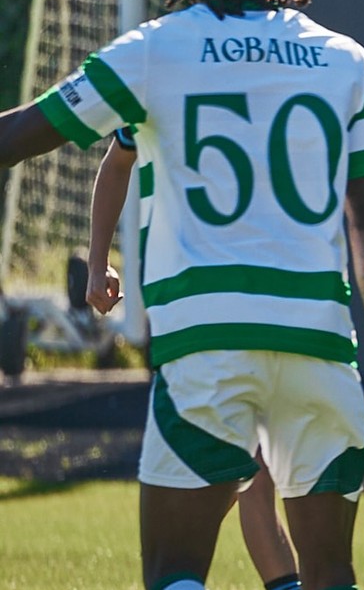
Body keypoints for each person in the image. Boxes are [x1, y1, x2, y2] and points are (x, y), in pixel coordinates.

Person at [0, 0, 364, 590]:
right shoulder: (348, 61)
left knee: (175, 570)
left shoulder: (158, 51)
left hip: (207, 345)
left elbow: (22, 135)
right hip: (319, 346)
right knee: (330, 574)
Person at [86, 129, 302, 590]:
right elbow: (118, 157)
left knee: (248, 483)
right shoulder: (169, 71)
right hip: (227, 321)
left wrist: (97, 261)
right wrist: (96, 261)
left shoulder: (163, 69)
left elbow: (117, 157)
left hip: (213, 320)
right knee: (247, 483)